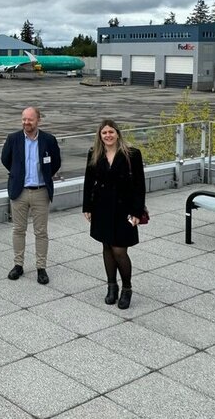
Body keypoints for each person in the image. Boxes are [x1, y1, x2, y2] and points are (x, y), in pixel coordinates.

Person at [82, 119, 146, 310]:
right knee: (107, 247)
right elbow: (88, 181)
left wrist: (137, 211)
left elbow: (139, 185)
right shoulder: (94, 154)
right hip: (101, 207)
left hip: (124, 209)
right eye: (104, 133)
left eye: (111, 132)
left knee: (120, 250)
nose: (108, 136)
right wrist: (87, 207)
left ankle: (127, 288)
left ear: (117, 133)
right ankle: (112, 286)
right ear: (100, 136)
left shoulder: (132, 154)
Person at [1, 106, 61, 285]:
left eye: (30, 119)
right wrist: (17, 174)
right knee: (18, 230)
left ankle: (41, 268)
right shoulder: (13, 138)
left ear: (38, 120)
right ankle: (18, 265)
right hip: (19, 192)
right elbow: (6, 160)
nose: (26, 122)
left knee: (41, 232)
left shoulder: (49, 140)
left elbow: (55, 162)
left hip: (41, 191)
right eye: (24, 119)